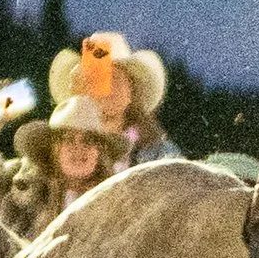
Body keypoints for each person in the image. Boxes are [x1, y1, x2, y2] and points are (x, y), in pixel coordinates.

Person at [49, 33, 179, 167]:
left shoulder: (160, 154)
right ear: (79, 90)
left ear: (132, 92)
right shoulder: (56, 149)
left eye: (115, 78)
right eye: (96, 78)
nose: (107, 89)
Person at [10, 92, 128, 236]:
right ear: (53, 149)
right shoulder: (22, 200)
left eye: (89, 140)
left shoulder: (119, 205)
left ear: (100, 152)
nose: (78, 148)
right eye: (68, 139)